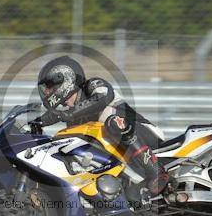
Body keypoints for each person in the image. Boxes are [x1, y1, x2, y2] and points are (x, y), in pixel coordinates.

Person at [33, 55, 170, 200]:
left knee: (112, 122)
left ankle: (157, 172)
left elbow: (102, 98)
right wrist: (37, 125)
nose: (46, 92)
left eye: (49, 86)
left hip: (144, 135)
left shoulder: (92, 85)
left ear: (66, 78)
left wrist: (64, 114)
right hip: (125, 159)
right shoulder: (73, 121)